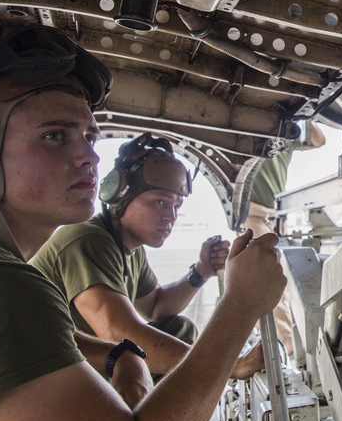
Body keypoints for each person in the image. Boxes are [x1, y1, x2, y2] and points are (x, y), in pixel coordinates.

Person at [0, 25, 286, 421]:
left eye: (90, 138)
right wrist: (240, 308)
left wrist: (197, 278)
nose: (90, 157)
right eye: (55, 135)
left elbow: (146, 308)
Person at [32, 132, 268, 379]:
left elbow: (155, 307)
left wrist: (202, 271)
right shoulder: (88, 240)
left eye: (176, 206)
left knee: (177, 329)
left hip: (81, 368)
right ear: (119, 195)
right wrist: (230, 366)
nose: (171, 216)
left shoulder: (129, 248)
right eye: (159, 202)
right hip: (46, 378)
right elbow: (118, 332)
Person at [242, 121, 326, 357]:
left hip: (274, 215)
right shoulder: (248, 130)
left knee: (279, 284)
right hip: (252, 214)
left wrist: (305, 116)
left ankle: (283, 346)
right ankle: (288, 351)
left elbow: (319, 140)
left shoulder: (285, 133)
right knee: (269, 285)